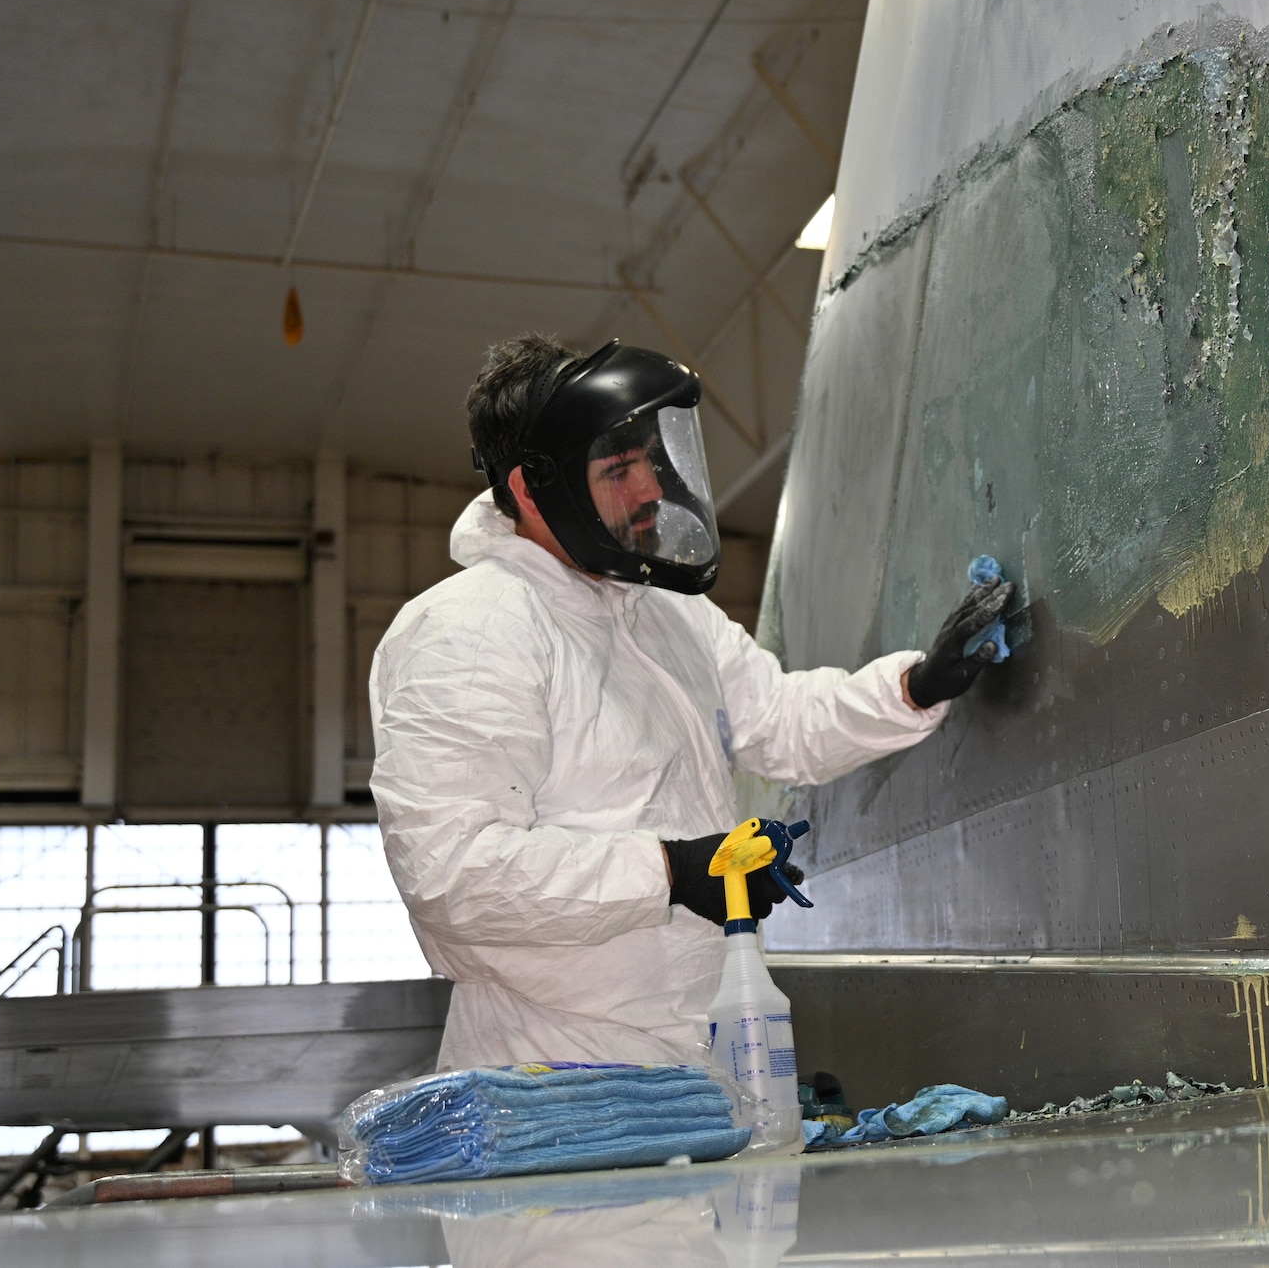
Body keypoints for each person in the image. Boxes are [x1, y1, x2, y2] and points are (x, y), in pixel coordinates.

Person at [369, 334, 1010, 1069]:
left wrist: (916, 685)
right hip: (554, 1080)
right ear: (528, 488)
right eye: (617, 468)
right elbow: (455, 875)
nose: (648, 488)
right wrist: (674, 870)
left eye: (648, 459)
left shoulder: (660, 611)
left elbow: (779, 719)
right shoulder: (472, 631)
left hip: (698, 1056)